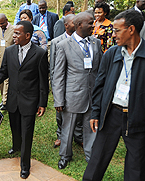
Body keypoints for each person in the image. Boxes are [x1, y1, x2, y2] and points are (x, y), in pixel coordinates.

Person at [83, 9, 145, 181]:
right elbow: (99, 85)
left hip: (137, 118)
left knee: (136, 168)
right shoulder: (111, 53)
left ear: (131, 29)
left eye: (117, 30)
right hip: (111, 114)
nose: (113, 35)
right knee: (96, 162)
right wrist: (96, 112)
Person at [0, 21, 49, 179]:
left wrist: (42, 103)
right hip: (13, 99)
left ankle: (25, 165)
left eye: (17, 33)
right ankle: (16, 146)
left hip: (30, 100)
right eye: (14, 33)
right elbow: (3, 73)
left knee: (27, 133)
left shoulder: (39, 53)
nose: (14, 36)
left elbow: (43, 81)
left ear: (27, 35)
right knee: (15, 128)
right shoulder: (10, 51)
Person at [52, 12, 102, 169]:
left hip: (92, 94)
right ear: (80, 25)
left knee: (91, 126)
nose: (93, 26)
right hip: (72, 96)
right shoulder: (63, 46)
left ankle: (90, 155)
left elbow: (99, 71)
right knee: (68, 128)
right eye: (90, 23)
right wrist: (59, 99)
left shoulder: (96, 43)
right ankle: (65, 156)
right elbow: (58, 75)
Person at [50, 14, 83, 149]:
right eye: (74, 23)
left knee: (79, 113)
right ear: (66, 25)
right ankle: (60, 135)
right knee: (60, 113)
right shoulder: (56, 42)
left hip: (75, 84)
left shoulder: (81, 40)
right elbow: (53, 66)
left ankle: (78, 136)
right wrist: (55, 87)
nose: (76, 25)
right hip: (61, 83)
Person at [0, 14, 14, 110]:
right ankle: (3, 99)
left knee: (7, 81)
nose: (1, 25)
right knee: (0, 81)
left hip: (10, 60)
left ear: (7, 20)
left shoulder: (13, 29)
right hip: (0, 60)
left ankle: (5, 101)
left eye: (2, 23)